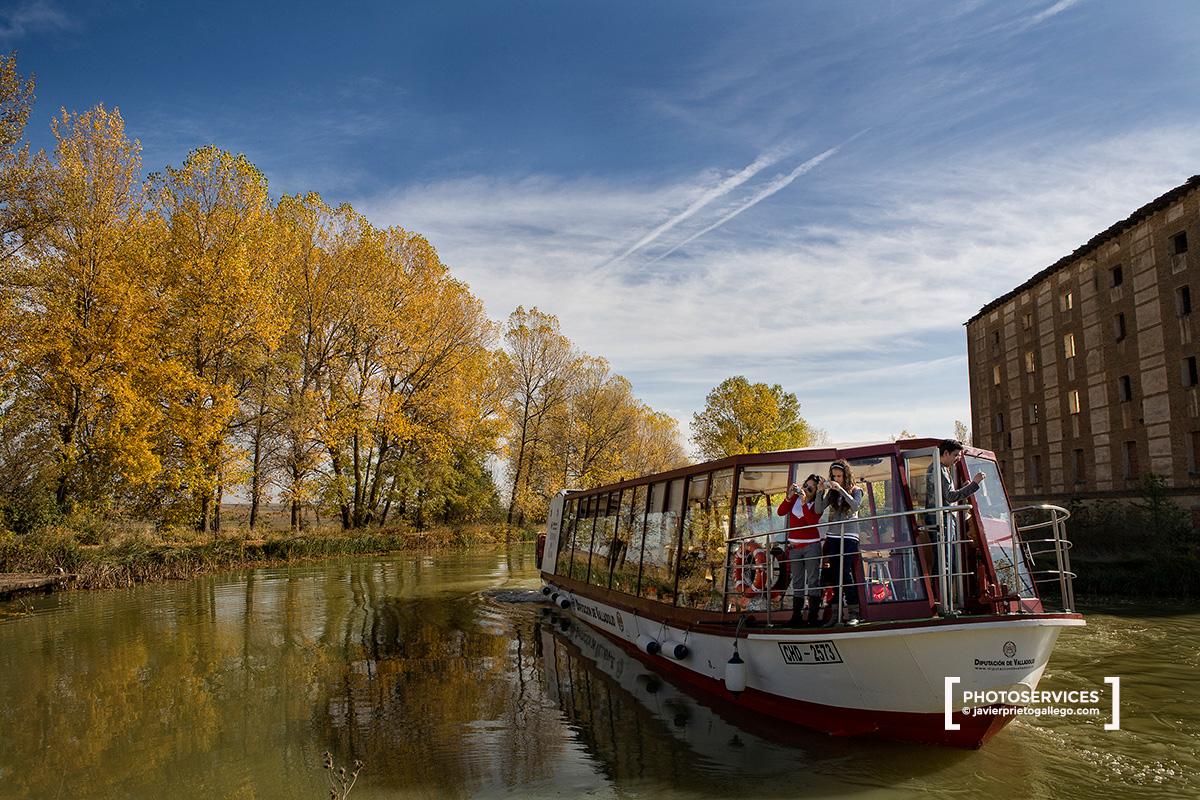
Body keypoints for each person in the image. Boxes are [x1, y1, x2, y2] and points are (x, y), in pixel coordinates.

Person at [924, 439, 987, 611]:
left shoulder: (942, 469)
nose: (958, 458)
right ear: (945, 454)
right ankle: (943, 603)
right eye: (956, 455)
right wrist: (974, 484)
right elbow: (950, 497)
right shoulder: (939, 470)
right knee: (945, 561)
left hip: (943, 519)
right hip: (940, 520)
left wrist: (964, 488)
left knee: (946, 561)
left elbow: (948, 496)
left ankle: (944, 601)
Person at [814, 459, 864, 626]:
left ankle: (853, 613)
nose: (836, 479)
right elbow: (818, 510)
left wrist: (841, 489)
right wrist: (820, 492)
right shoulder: (832, 494)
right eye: (834, 476)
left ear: (846, 475)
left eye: (839, 476)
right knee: (834, 574)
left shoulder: (857, 490)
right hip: (834, 536)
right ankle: (836, 615)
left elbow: (855, 506)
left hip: (850, 536)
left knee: (845, 572)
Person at [776, 474, 824, 626]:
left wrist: (804, 502)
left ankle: (812, 617)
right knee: (797, 581)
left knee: (812, 580)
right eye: (805, 486)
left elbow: (811, 521)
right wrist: (789, 497)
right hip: (795, 547)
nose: (806, 490)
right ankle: (796, 616)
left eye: (810, 488)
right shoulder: (795, 500)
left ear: (816, 491)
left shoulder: (817, 504)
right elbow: (780, 512)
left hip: (811, 546)